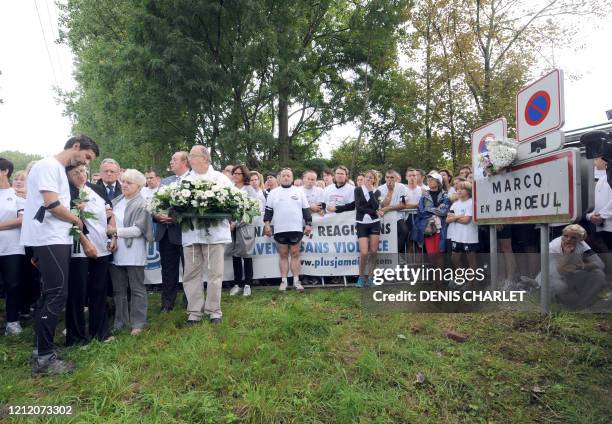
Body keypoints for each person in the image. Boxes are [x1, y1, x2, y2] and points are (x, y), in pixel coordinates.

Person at [21, 135, 99, 375]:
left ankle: (40, 350)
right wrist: (77, 219)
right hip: (49, 237)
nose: (86, 163)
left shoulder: (57, 170)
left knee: (50, 293)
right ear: (75, 147)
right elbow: (52, 205)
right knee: (57, 294)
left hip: (56, 237)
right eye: (86, 157)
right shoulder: (48, 166)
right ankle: (44, 359)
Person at [181, 145, 232, 325]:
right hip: (191, 234)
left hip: (215, 234)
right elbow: (176, 205)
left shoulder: (220, 178)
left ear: (204, 158)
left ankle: (214, 311)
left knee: (214, 273)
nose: (188, 159)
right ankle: (194, 312)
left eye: (192, 156)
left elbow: (232, 203)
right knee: (191, 274)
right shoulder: (184, 180)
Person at [65, 165, 114, 345]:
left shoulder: (97, 189)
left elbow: (110, 213)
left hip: (101, 246)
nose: (81, 175)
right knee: (78, 293)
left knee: (99, 290)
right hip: (79, 247)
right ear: (67, 176)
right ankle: (76, 337)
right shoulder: (67, 193)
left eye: (83, 171)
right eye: (75, 173)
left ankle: (100, 332)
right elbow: (69, 222)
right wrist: (86, 243)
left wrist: (113, 235)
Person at [107, 169, 152, 335]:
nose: (124, 185)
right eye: (123, 181)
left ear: (139, 186)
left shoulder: (143, 204)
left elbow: (138, 230)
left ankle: (138, 323)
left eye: (129, 182)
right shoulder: (116, 201)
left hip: (134, 252)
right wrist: (112, 235)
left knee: (137, 289)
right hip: (115, 251)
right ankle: (120, 322)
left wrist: (114, 232)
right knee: (118, 291)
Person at [263, 168, 312, 292]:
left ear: (292, 177)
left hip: (296, 228)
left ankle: (296, 281)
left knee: (295, 253)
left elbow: (306, 209)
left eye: (288, 175)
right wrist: (267, 225)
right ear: (279, 178)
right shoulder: (273, 193)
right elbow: (268, 211)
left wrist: (308, 224)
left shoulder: (299, 192)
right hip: (280, 229)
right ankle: (283, 282)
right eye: (283, 175)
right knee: (283, 255)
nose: (286, 177)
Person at [153, 152, 190, 313]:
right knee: (168, 270)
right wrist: (156, 215)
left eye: (174, 159)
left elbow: (194, 208)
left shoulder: (194, 180)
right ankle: (167, 304)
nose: (171, 161)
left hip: (186, 233)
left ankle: (191, 302)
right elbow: (154, 204)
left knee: (191, 270)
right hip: (165, 234)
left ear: (185, 162)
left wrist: (174, 218)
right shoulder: (166, 181)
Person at [539, 224, 606, 309]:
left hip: (571, 275)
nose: (568, 239)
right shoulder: (553, 246)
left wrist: (582, 266)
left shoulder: (582, 244)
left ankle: (581, 305)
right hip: (552, 278)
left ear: (580, 239)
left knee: (599, 274)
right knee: (561, 287)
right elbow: (560, 271)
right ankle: (554, 304)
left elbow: (600, 264)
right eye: (565, 236)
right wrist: (567, 255)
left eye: (573, 237)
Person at [0, 158, 25, 335]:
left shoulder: (16, 195)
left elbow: (21, 219)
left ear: (5, 171)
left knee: (13, 284)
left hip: (12, 247)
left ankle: (12, 321)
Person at [229, 165, 257, 297]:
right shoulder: (230, 189)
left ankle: (247, 284)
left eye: (238, 173)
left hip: (244, 226)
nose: (235, 175)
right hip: (230, 227)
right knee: (235, 255)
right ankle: (237, 284)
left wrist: (237, 223)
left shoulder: (249, 189)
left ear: (244, 175)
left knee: (246, 255)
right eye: (234, 173)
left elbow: (252, 210)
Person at [355, 170, 384, 287]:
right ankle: (361, 277)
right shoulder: (357, 190)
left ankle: (371, 277)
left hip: (375, 223)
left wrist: (371, 192)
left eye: (371, 178)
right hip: (361, 222)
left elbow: (377, 205)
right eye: (366, 177)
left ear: (374, 180)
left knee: (373, 251)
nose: (368, 179)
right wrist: (374, 211)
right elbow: (359, 207)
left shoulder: (377, 192)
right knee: (364, 252)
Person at [446, 181, 478, 287]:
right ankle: (461, 281)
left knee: (471, 261)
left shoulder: (471, 202)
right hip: (457, 237)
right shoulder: (455, 204)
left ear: (468, 191)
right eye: (457, 189)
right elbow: (447, 220)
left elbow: (466, 221)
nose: (458, 191)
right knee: (454, 258)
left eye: (461, 189)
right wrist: (458, 216)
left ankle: (471, 284)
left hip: (469, 237)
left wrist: (454, 218)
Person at [412, 172, 450, 255]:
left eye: (432, 180)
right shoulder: (424, 196)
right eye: (428, 180)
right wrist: (436, 210)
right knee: (431, 253)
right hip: (427, 226)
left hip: (442, 227)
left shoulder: (445, 195)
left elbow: (443, 211)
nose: (429, 181)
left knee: (441, 252)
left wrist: (429, 209)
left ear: (438, 182)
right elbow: (421, 211)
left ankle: (440, 269)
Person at [378, 170, 409, 263]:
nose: (389, 179)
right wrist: (390, 191)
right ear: (384, 178)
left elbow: (403, 205)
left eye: (392, 177)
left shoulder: (402, 187)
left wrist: (388, 208)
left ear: (396, 178)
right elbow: (383, 205)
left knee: (404, 231)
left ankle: (395, 254)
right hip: (385, 218)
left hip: (398, 216)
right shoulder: (380, 189)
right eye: (387, 177)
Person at [403, 168, 423, 252]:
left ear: (417, 177)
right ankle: (410, 264)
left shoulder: (422, 190)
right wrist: (417, 205)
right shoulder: (402, 189)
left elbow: (424, 206)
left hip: (419, 217)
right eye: (410, 175)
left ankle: (419, 264)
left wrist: (415, 206)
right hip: (406, 217)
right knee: (409, 242)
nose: (412, 177)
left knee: (419, 244)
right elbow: (402, 206)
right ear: (406, 177)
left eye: (414, 175)